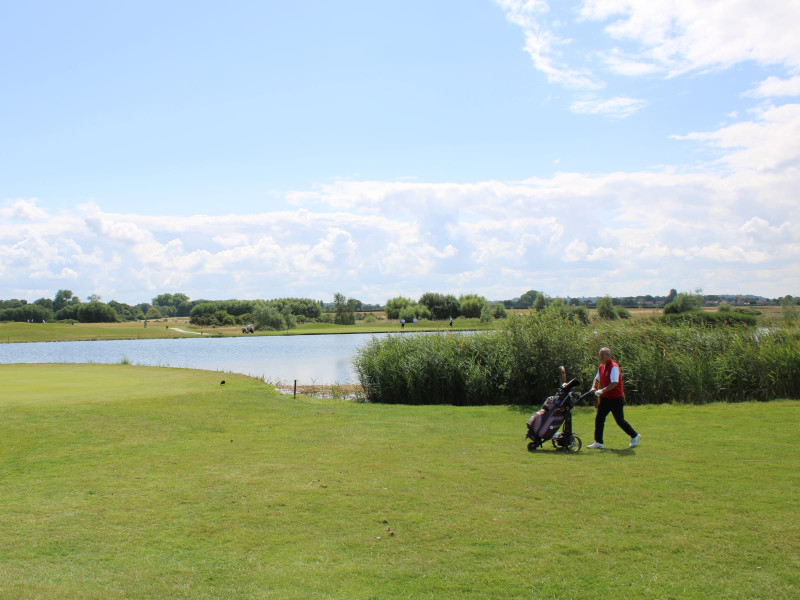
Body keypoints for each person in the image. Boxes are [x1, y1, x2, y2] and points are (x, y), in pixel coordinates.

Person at [586, 347, 641, 449]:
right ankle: (598, 442)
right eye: (600, 355)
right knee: (599, 419)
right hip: (605, 398)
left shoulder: (614, 367)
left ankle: (635, 435)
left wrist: (601, 391)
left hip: (616, 398)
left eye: (603, 355)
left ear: (609, 355)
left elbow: (614, 383)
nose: (601, 357)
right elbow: (597, 378)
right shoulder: (601, 367)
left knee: (620, 421)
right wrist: (594, 387)